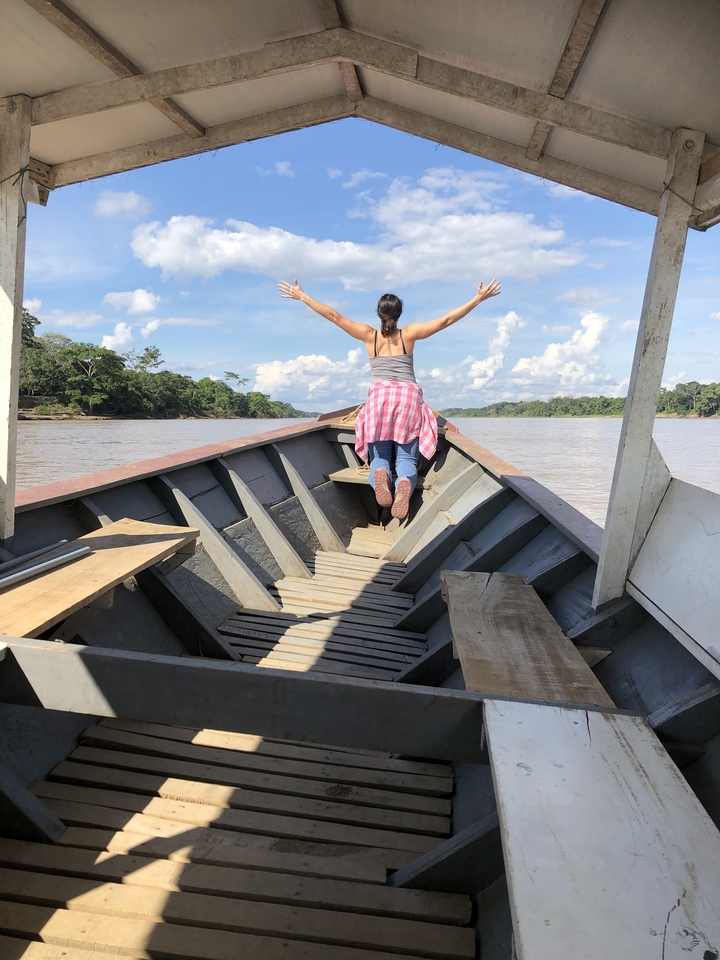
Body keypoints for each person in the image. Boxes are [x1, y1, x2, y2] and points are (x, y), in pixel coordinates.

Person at [278, 278, 501, 519]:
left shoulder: (368, 335)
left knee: (380, 457)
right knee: (406, 457)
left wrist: (303, 297)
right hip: (407, 398)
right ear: (399, 313)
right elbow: (445, 320)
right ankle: (404, 480)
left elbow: (334, 316)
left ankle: (381, 476)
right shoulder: (410, 334)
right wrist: (477, 299)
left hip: (380, 399)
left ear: (378, 313)